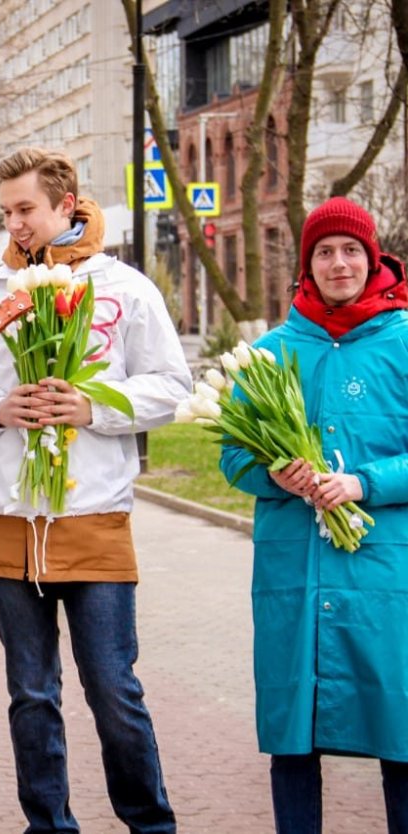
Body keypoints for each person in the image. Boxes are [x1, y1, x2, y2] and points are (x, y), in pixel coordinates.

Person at [0, 147, 188, 833]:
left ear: (65, 205)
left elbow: (171, 387)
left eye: (25, 210)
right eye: (6, 212)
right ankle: (48, 826)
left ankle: (151, 825)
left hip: (93, 516)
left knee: (114, 689)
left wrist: (91, 406)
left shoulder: (126, 289)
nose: (14, 224)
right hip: (7, 519)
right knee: (31, 693)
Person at [220, 196, 408, 834]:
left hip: (385, 573)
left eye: (350, 249)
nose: (338, 263)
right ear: (306, 265)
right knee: (292, 738)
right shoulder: (270, 351)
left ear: (372, 256)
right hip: (294, 571)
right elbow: (231, 457)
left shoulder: (404, 341)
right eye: (324, 252)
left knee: (401, 731)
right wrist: (272, 474)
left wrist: (365, 482)